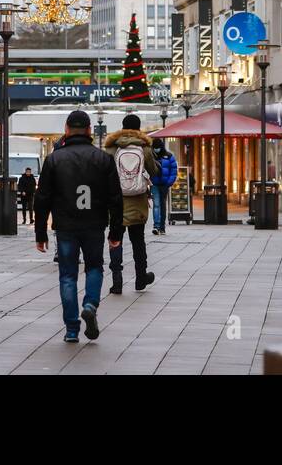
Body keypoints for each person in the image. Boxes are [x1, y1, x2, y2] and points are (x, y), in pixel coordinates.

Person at [35, 110, 123, 343]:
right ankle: (91, 304)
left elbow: (42, 198)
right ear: (89, 130)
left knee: (68, 276)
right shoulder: (104, 159)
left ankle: (72, 328)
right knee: (95, 267)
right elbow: (115, 199)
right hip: (94, 224)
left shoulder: (53, 160)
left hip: (65, 225)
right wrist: (115, 232)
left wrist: (40, 233)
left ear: (66, 130)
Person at [102, 114, 160, 295]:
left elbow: (104, 173)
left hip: (116, 202)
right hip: (138, 200)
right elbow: (154, 171)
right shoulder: (144, 148)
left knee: (115, 239)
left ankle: (117, 280)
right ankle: (141, 278)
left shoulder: (112, 148)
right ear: (138, 128)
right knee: (138, 241)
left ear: (122, 127)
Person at [150, 138, 178, 236]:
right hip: (154, 184)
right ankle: (156, 226)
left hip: (164, 185)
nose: (156, 149)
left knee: (162, 205)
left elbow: (174, 170)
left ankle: (162, 227)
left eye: (158, 147)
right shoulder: (150, 156)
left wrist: (169, 182)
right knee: (156, 204)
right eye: (155, 148)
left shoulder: (169, 156)